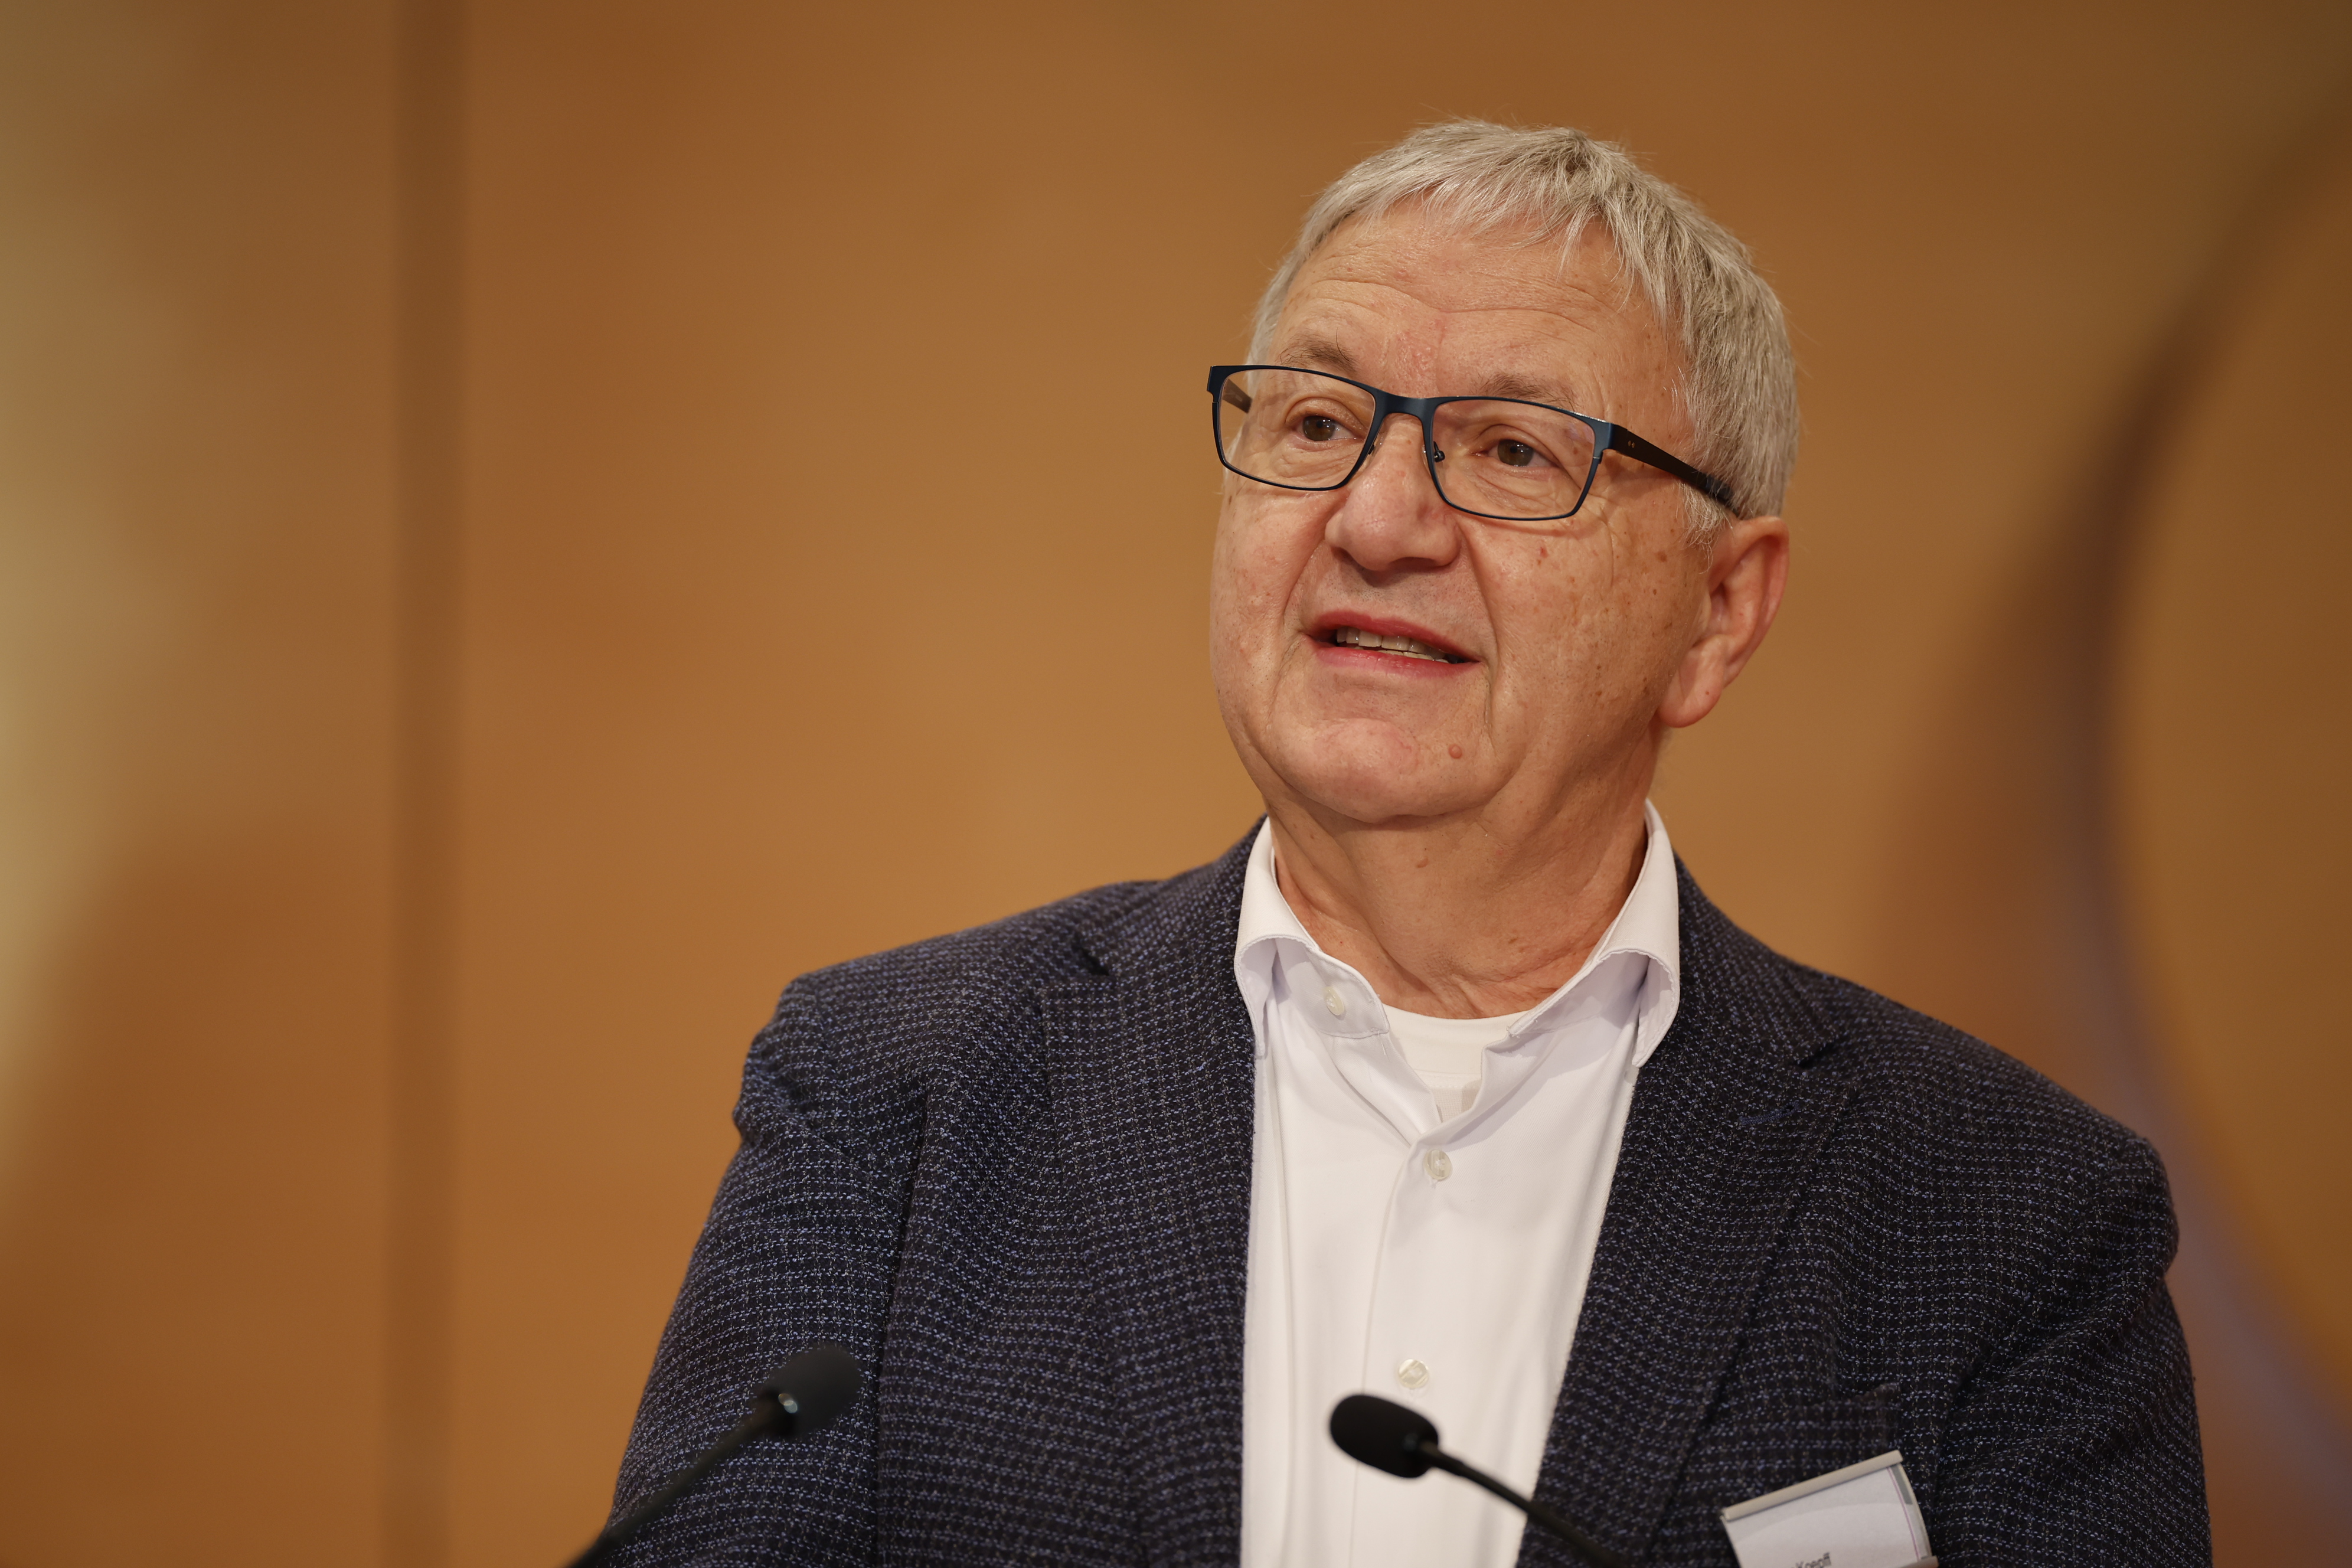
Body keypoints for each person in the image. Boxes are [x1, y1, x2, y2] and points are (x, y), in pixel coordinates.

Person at [605, 122, 2208, 1567]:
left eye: (1513, 450)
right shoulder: (896, 1093)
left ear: (1720, 611)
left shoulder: (2006, 1222)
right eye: (1316, 421)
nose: (1377, 522)